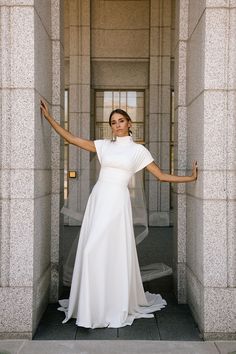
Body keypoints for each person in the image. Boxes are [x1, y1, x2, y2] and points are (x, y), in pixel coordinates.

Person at [40, 100, 198, 329]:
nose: (117, 125)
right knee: (91, 250)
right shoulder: (104, 145)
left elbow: (162, 176)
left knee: (105, 250)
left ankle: (110, 305)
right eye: (113, 122)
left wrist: (190, 178)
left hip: (117, 203)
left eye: (121, 120)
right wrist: (49, 118)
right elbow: (72, 139)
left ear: (129, 123)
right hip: (100, 198)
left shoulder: (138, 150)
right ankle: (91, 306)